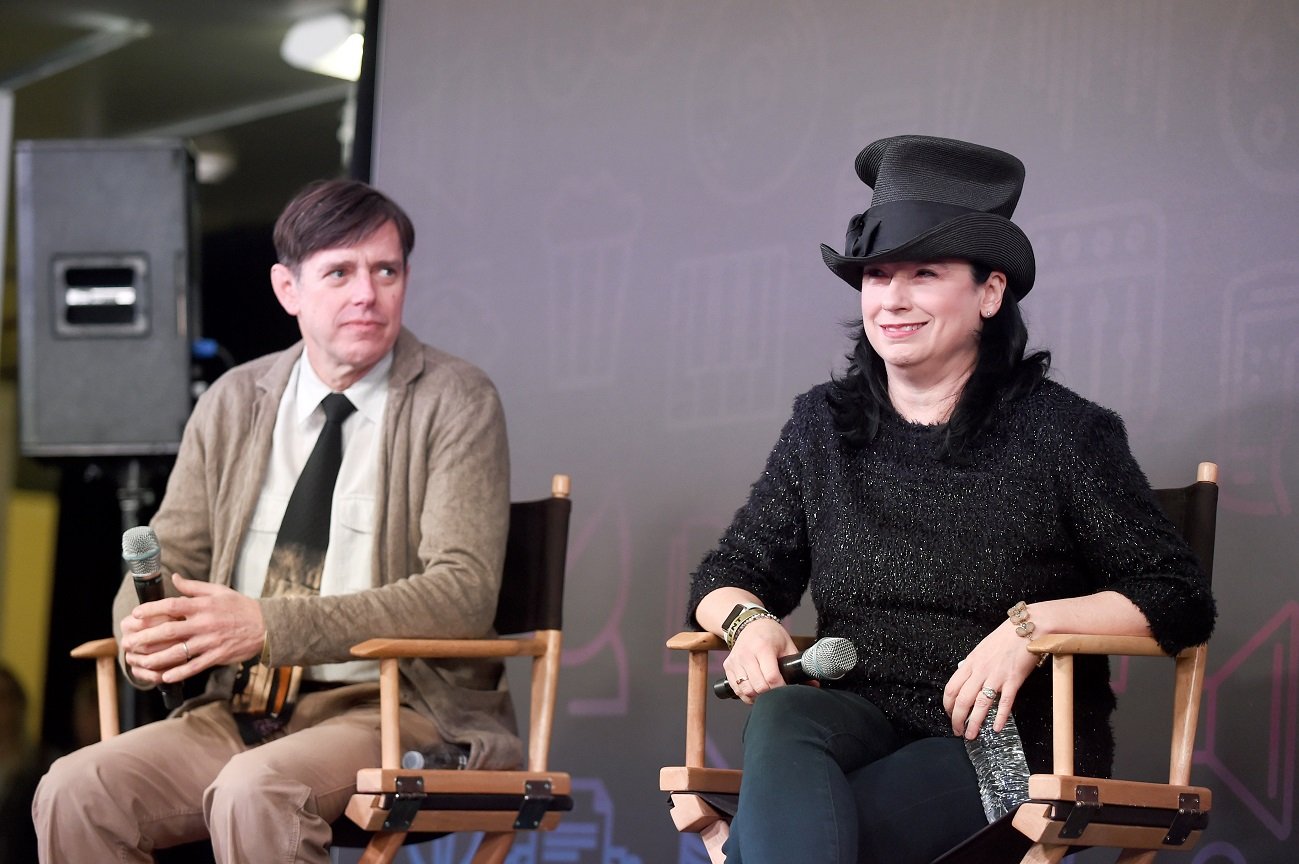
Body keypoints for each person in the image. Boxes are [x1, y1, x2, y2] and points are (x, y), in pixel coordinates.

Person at [686, 135, 1216, 864]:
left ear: (989, 292)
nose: (892, 299)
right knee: (784, 713)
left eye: (923, 274)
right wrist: (745, 623)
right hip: (858, 720)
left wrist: (1027, 631)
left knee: (778, 839)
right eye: (876, 276)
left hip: (1004, 741)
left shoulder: (1064, 433)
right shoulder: (824, 425)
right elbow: (723, 575)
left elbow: (1178, 599)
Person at [33, 178, 514, 862]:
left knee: (255, 790)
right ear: (287, 289)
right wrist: (139, 635)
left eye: (385, 270)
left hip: (389, 708)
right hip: (240, 709)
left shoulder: (455, 398)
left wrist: (268, 627)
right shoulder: (234, 400)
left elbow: (463, 593)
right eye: (339, 272)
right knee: (75, 789)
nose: (365, 294)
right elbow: (168, 558)